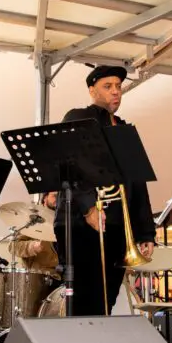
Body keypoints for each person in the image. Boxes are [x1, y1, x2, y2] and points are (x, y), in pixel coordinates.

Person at [46, 65, 156, 316]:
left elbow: (138, 183)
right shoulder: (78, 117)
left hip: (116, 227)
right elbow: (70, 164)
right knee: (84, 299)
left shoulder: (124, 129)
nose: (115, 91)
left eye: (118, 86)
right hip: (81, 224)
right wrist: (88, 208)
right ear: (92, 90)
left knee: (107, 300)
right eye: (108, 86)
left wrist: (145, 231)